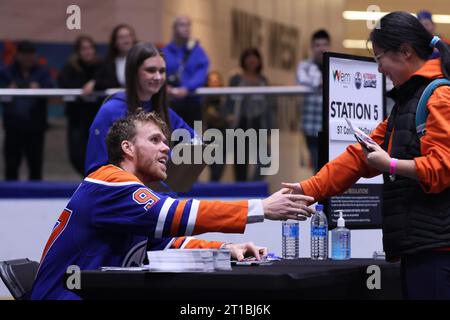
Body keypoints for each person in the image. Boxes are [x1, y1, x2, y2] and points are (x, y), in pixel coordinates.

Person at [31, 110, 314, 300]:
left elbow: (168, 245)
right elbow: (174, 215)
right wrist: (260, 208)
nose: (166, 148)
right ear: (127, 148)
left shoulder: (128, 193)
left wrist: (226, 249)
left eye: (165, 141)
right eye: (155, 140)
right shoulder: (109, 182)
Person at [283, 11, 450, 300]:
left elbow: (443, 168)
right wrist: (307, 190)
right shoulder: (406, 104)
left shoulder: (438, 97)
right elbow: (358, 157)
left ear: (405, 52)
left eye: (379, 57)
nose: (380, 68)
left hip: (438, 250)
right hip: (419, 246)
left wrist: (391, 165)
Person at [85, 42, 195, 175]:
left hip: (159, 192)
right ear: (134, 72)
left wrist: (170, 169)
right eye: (151, 70)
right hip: (123, 191)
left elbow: (197, 144)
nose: (158, 77)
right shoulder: (110, 111)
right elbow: (95, 168)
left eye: (162, 71)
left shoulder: (165, 112)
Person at [0, 41, 54, 180]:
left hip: (35, 127)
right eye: (25, 55)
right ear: (18, 55)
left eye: (31, 55)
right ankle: (9, 199)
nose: (29, 58)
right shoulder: (6, 71)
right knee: (11, 165)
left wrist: (40, 89)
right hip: (13, 127)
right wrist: (8, 89)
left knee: (35, 165)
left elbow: (51, 89)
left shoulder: (42, 72)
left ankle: (36, 198)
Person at [58, 35, 103, 176]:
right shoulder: (70, 67)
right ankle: (88, 180)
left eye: (90, 48)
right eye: (83, 48)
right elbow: (62, 83)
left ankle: (95, 182)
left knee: (98, 154)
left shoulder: (102, 66)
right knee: (76, 156)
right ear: (78, 51)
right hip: (77, 119)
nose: (87, 51)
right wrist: (81, 90)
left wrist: (95, 82)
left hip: (97, 118)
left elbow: (109, 80)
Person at [226, 48, 270, 181]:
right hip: (240, 122)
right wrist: (229, 114)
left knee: (265, 159)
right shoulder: (236, 79)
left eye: (254, 57)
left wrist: (269, 127)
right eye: (248, 57)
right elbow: (229, 99)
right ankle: (242, 189)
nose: (251, 60)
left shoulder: (263, 80)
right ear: (243, 60)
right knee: (241, 160)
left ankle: (253, 186)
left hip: (258, 122)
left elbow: (268, 105)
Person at [163, 15, 209, 127]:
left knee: (194, 137)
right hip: (171, 101)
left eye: (188, 25)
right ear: (174, 28)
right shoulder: (166, 51)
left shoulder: (197, 51)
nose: (186, 28)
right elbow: (160, 70)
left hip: (192, 100)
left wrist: (187, 88)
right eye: (182, 25)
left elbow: (201, 73)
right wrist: (164, 86)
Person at [296, 29, 331, 173]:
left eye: (324, 44)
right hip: (310, 124)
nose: (321, 48)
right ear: (311, 47)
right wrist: (323, 81)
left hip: (330, 124)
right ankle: (320, 195)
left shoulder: (333, 64)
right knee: (317, 164)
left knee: (331, 163)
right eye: (317, 45)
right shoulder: (304, 66)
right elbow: (304, 80)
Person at [203, 71, 229, 181]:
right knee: (213, 165)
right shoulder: (203, 100)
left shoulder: (225, 100)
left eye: (216, 81)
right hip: (208, 136)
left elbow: (229, 117)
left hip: (224, 136)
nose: (214, 84)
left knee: (220, 166)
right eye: (211, 81)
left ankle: (214, 186)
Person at [94, 24, 137, 90]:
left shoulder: (143, 59)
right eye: (121, 37)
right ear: (115, 42)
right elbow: (101, 81)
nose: (126, 40)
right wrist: (93, 82)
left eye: (129, 36)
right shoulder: (108, 63)